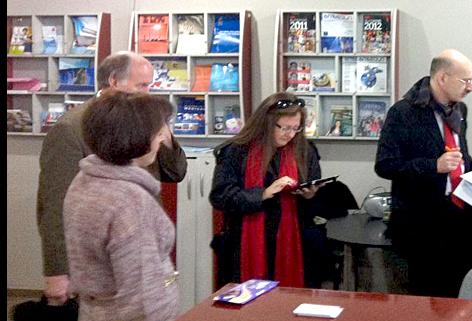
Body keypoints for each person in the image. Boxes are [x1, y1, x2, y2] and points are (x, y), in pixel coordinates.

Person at [36, 51, 187, 306]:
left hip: (141, 250)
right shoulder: (71, 128)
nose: (148, 92)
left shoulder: (143, 120)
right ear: (114, 82)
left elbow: (175, 172)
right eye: (142, 85)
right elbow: (54, 204)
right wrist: (57, 272)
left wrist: (165, 132)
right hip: (98, 261)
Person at [375, 49, 472, 297]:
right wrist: (433, 166)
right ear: (442, 78)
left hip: (458, 215)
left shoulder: (459, 110)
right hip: (420, 223)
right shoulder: (403, 113)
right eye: (466, 81)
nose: (471, 87)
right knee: (426, 296)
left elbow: (458, 156)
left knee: (460, 293)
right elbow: (385, 165)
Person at [64, 91, 180, 321]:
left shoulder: (85, 180)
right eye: (158, 129)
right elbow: (141, 298)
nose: (163, 136)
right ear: (135, 136)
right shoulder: (128, 201)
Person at [209, 92, 321, 288]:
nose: (290, 134)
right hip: (245, 243)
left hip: (293, 244)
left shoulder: (305, 150)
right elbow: (220, 196)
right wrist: (263, 194)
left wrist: (310, 195)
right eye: (284, 127)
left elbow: (313, 202)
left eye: (296, 128)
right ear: (267, 123)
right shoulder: (237, 150)